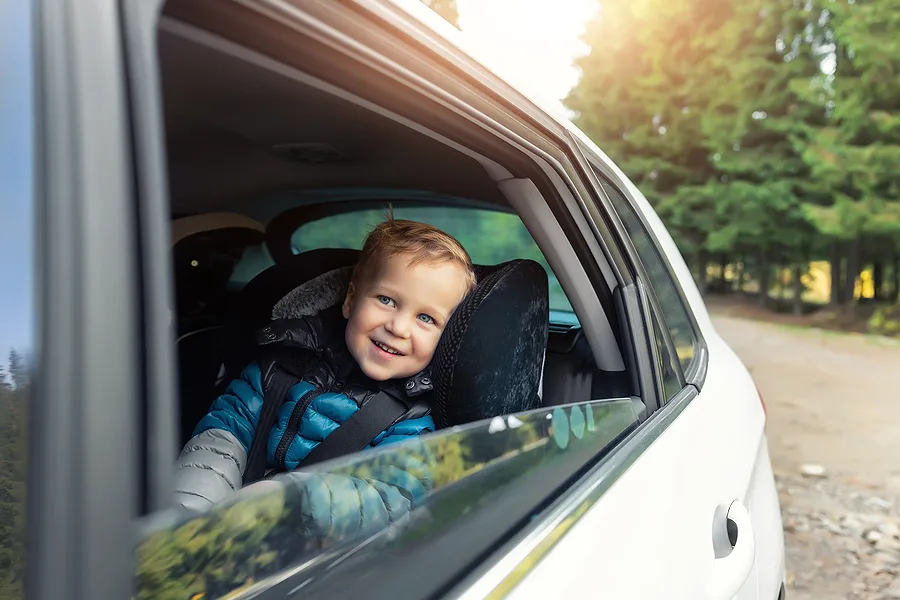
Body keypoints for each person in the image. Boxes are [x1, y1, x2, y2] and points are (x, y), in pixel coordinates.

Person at [172, 216, 477, 536]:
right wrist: (191, 516)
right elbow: (220, 439)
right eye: (386, 300)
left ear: (446, 338)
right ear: (350, 300)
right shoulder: (277, 368)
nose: (398, 327)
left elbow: (389, 498)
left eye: (426, 318)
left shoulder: (414, 423)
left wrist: (289, 501)